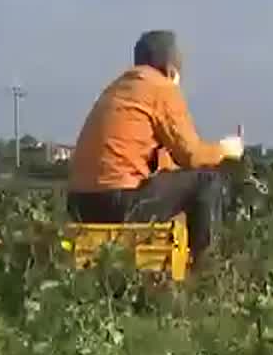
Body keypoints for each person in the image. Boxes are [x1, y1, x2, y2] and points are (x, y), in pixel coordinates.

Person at [67, 30, 245, 260]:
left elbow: (162, 161)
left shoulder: (119, 88)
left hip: (80, 203)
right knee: (207, 180)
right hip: (118, 202)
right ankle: (204, 269)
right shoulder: (161, 87)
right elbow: (191, 156)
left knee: (177, 181)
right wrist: (226, 149)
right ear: (171, 68)